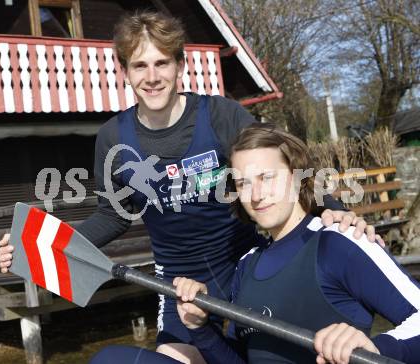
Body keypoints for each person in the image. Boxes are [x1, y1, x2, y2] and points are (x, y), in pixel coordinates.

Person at [0, 10, 381, 364]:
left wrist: (333, 208)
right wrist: (37, 245)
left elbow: (283, 167)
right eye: (140, 65)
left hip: (248, 271)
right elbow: (112, 215)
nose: (152, 76)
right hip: (179, 287)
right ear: (125, 71)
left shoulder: (221, 115)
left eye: (162, 62)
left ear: (180, 65)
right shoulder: (113, 138)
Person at [172, 123, 420, 363]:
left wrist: (376, 349)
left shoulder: (339, 242)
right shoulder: (246, 266)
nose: (256, 195)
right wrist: (200, 327)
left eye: (266, 177)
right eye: (243, 183)